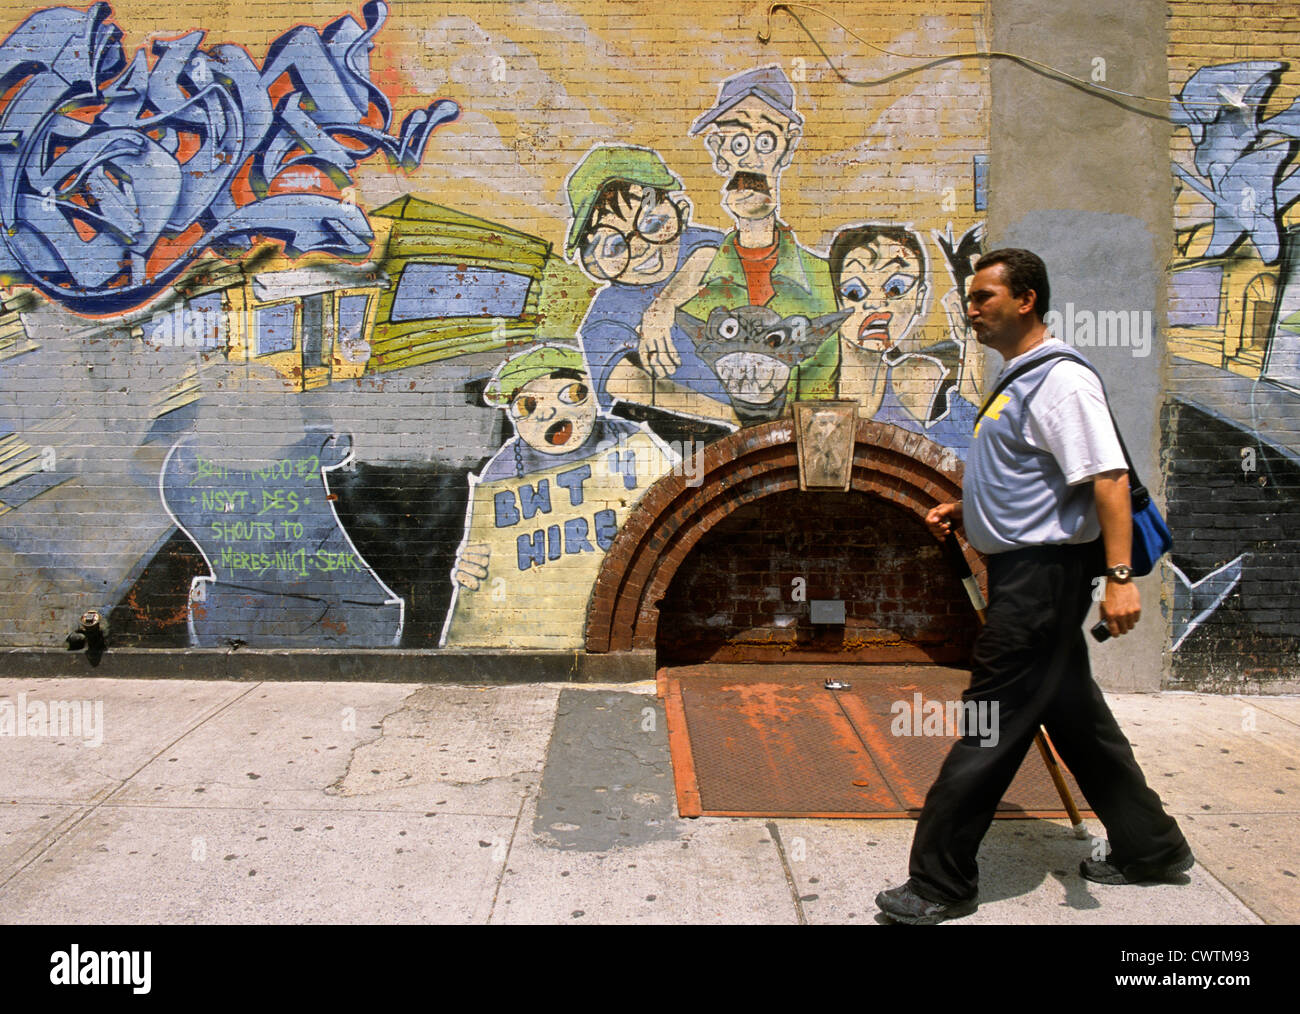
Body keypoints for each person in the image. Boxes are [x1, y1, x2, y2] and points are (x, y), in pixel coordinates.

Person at [875, 248, 1193, 924]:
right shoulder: (1021, 379)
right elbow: (1034, 475)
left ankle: (939, 883)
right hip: (1030, 573)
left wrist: (1118, 579)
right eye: (970, 296)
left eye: (984, 296)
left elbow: (1103, 478)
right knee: (1079, 723)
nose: (971, 308)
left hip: (1043, 582)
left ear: (1025, 300)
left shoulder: (1061, 381)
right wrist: (971, 510)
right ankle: (1152, 849)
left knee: (988, 722)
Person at [563, 145, 735, 426]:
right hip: (700, 432)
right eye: (616, 245)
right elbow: (624, 383)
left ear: (681, 212)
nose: (641, 247)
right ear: (594, 264)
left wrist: (664, 306)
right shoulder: (608, 311)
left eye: (653, 224)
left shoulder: (692, 244)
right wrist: (730, 414)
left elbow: (716, 253)